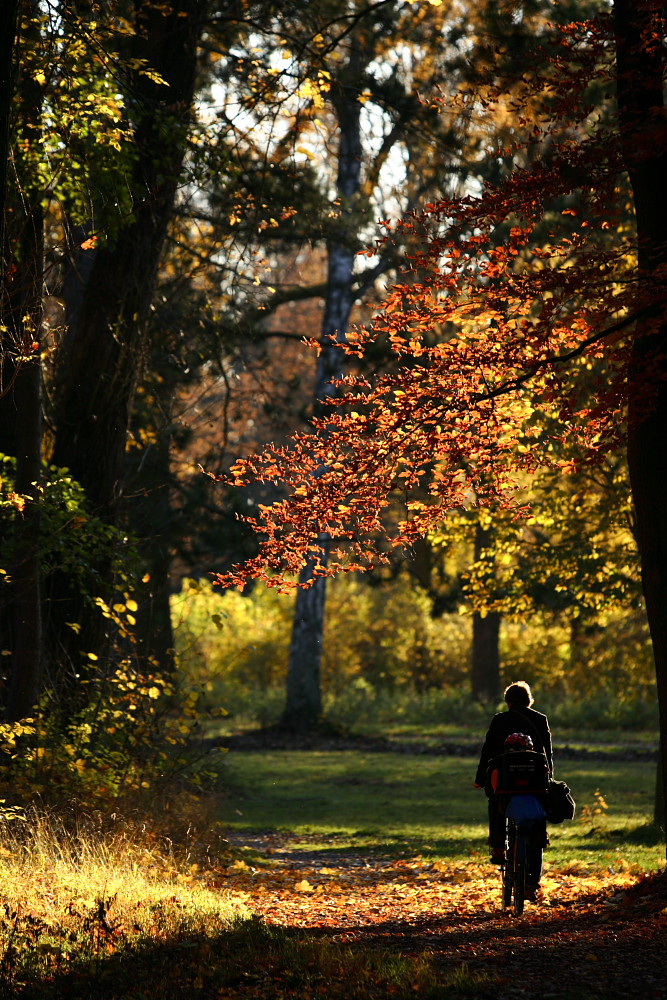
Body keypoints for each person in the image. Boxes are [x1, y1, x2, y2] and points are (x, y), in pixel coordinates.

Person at [474, 682, 553, 892]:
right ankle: (532, 883)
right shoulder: (540, 719)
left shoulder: (500, 720)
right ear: (529, 700)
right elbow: (547, 754)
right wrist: (549, 778)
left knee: (496, 801)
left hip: (505, 780)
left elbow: (488, 751)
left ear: (508, 701)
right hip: (534, 780)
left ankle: (499, 846)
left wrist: (480, 778)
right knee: (537, 824)